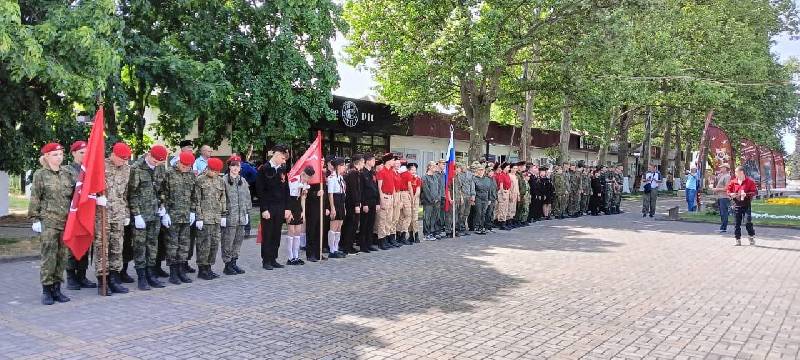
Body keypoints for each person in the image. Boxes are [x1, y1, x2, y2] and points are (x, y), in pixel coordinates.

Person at [29, 143, 75, 305]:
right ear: (47, 156)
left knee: (62, 256)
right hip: (48, 221)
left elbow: (77, 192)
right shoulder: (40, 174)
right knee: (49, 256)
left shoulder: (67, 173)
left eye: (61, 154)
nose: (59, 157)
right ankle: (47, 290)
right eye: (55, 154)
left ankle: (57, 289)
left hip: (65, 221)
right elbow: (35, 197)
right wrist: (35, 219)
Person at [93, 142, 133, 295]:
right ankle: (102, 280)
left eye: (126, 159)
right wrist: (96, 198)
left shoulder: (126, 170)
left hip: (119, 214)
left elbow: (125, 194)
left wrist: (127, 213)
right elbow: (88, 188)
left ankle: (115, 279)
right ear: (113, 154)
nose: (124, 162)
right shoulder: (99, 166)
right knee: (102, 247)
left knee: (117, 247)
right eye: (122, 159)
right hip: (102, 215)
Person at [128, 145, 169, 290]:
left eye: (160, 163)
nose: (157, 165)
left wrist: (162, 206)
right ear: (149, 155)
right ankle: (142, 277)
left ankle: (151, 274)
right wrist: (136, 214)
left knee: (153, 245)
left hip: (155, 213)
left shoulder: (160, 168)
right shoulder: (136, 168)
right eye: (156, 162)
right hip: (141, 214)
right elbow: (132, 194)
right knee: (140, 246)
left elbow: (162, 188)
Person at [160, 151, 196, 285]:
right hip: (172, 216)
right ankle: (173, 273)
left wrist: (192, 211)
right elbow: (163, 193)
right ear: (179, 162)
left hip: (186, 216)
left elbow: (194, 195)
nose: (186, 168)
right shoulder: (169, 173)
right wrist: (165, 212)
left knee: (184, 245)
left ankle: (182, 271)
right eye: (184, 166)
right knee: (172, 245)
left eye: (188, 166)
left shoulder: (191, 174)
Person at [256, 145, 290, 270]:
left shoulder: (282, 169)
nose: (284, 161)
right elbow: (260, 191)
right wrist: (264, 209)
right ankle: (266, 260)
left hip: (280, 207)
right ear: (276, 155)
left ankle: (273, 258)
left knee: (277, 234)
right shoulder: (264, 169)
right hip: (268, 207)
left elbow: (286, 189)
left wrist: (287, 208)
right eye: (282, 158)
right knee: (268, 234)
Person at [192, 157, 227, 280]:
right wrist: (199, 217)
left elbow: (223, 199)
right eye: (213, 171)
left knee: (214, 244)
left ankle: (209, 268)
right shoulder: (200, 180)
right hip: (205, 218)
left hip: (216, 217)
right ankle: (202, 269)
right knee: (203, 244)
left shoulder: (220, 181)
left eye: (217, 171)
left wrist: (223, 215)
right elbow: (196, 200)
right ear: (208, 168)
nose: (215, 173)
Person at [221, 156, 252, 274]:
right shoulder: (223, 180)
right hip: (230, 217)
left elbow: (247, 197)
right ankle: (227, 265)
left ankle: (234, 262)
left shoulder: (242, 180)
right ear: (229, 166)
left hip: (241, 217)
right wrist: (222, 215)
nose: (235, 168)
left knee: (238, 241)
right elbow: (221, 199)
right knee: (227, 242)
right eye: (233, 165)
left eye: (237, 165)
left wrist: (247, 212)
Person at [287, 166, 314, 265]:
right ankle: (290, 258)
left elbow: (303, 198)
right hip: (291, 204)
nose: (307, 180)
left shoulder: (305, 183)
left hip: (298, 206)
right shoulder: (294, 180)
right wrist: (289, 211)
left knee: (298, 231)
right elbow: (289, 197)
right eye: (307, 177)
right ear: (303, 174)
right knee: (291, 231)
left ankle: (296, 256)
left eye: (309, 178)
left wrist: (303, 212)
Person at [726, 166, 757, 246]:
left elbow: (754, 192)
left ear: (742, 172)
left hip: (746, 205)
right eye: (735, 173)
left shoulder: (750, 181)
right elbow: (728, 191)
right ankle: (738, 239)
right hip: (737, 205)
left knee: (748, 221)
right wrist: (730, 194)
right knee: (737, 223)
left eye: (737, 172)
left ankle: (751, 236)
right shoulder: (733, 182)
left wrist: (746, 194)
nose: (736, 174)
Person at [342, 155, 364, 254]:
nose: (363, 164)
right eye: (363, 162)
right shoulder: (353, 173)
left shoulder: (355, 172)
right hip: (351, 204)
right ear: (358, 163)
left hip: (353, 203)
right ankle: (347, 246)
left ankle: (349, 245)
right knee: (351, 225)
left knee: (354, 225)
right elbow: (354, 190)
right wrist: (356, 204)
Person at [326, 158, 347, 258]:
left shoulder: (341, 178)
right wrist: (332, 208)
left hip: (341, 202)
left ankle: (336, 248)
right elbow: (330, 195)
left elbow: (343, 192)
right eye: (343, 165)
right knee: (333, 227)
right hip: (335, 201)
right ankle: (331, 250)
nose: (344, 167)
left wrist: (344, 207)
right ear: (338, 166)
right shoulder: (332, 178)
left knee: (339, 227)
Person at [358, 154, 380, 252]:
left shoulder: (372, 173)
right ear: (367, 161)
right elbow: (361, 190)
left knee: (371, 224)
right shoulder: (362, 173)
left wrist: (377, 202)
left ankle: (369, 243)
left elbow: (376, 189)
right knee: (364, 224)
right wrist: (364, 203)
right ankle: (363, 245)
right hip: (366, 202)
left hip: (373, 201)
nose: (374, 162)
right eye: (373, 160)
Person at [376, 153, 398, 248]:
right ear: (388, 161)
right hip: (384, 196)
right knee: (383, 219)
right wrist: (381, 200)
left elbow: (392, 186)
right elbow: (379, 187)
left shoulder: (391, 172)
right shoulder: (382, 172)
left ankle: (387, 238)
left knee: (389, 219)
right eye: (393, 160)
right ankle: (381, 240)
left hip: (390, 197)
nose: (394, 162)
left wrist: (394, 198)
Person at [394, 161, 414, 244]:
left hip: (398, 194)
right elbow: (409, 186)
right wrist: (412, 197)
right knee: (408, 215)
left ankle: (398, 236)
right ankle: (403, 235)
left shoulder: (397, 173)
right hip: (405, 194)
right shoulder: (407, 174)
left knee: (400, 216)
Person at [421, 161, 441, 241]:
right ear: (429, 167)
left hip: (436, 201)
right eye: (433, 166)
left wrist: (438, 198)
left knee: (434, 217)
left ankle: (432, 232)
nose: (435, 167)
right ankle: (426, 234)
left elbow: (438, 188)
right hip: (428, 202)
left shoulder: (436, 177)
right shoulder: (424, 177)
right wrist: (432, 199)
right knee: (427, 218)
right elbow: (426, 190)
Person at [473, 165, 492, 235]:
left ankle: (482, 227)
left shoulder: (487, 179)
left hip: (486, 198)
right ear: (477, 171)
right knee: (478, 212)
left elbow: (489, 190)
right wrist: (473, 199)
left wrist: (489, 198)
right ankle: (476, 227)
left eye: (482, 170)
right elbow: (473, 189)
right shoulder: (474, 179)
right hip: (478, 197)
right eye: (479, 170)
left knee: (483, 213)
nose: (481, 171)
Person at [714, 164, 732, 233]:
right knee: (722, 213)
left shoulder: (727, 176)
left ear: (725, 168)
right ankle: (722, 227)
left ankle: (723, 227)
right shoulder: (722, 176)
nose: (720, 168)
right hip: (720, 197)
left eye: (722, 167)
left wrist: (716, 189)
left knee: (724, 213)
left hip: (724, 197)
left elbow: (726, 188)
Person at [408, 163, 423, 243]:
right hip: (408, 198)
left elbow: (418, 189)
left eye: (415, 170)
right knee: (408, 218)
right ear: (409, 170)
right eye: (412, 170)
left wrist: (414, 198)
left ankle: (416, 235)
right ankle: (410, 236)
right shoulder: (407, 178)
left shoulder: (418, 179)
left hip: (415, 199)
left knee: (415, 218)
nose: (413, 171)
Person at [494, 163, 512, 230]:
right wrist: (503, 194)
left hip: (507, 191)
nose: (509, 169)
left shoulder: (507, 175)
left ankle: (504, 221)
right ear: (504, 168)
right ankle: (501, 223)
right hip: (503, 191)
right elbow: (501, 185)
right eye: (508, 167)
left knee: (506, 208)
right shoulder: (502, 175)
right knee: (502, 208)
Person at [484, 165, 498, 232]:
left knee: (492, 213)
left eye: (493, 172)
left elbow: (495, 189)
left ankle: (490, 226)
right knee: (488, 213)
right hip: (488, 198)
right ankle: (486, 226)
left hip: (493, 198)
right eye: (491, 172)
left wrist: (496, 197)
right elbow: (488, 190)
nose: (492, 173)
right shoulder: (486, 179)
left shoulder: (493, 179)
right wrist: (489, 199)